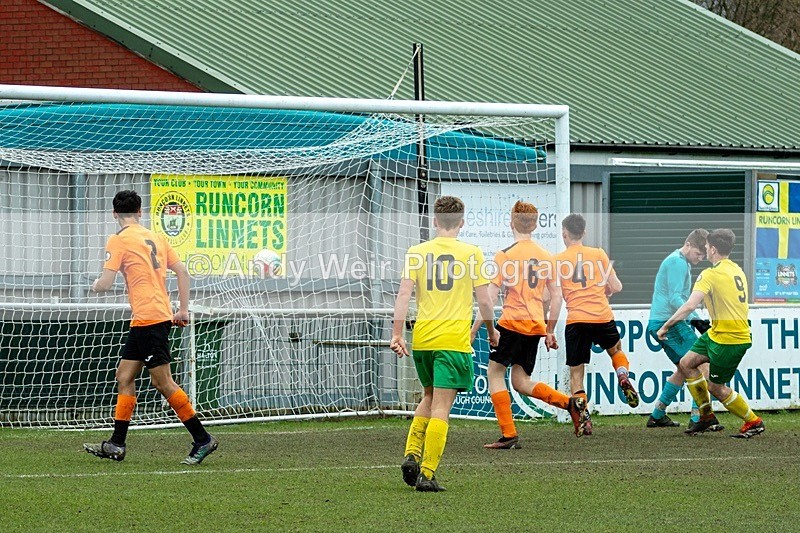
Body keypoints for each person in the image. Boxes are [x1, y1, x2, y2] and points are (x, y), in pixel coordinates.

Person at [84, 190, 218, 464]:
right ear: (139, 212)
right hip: (149, 317)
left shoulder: (118, 239)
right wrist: (182, 309)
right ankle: (116, 444)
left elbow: (106, 283)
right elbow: (183, 271)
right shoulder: (156, 237)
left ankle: (202, 439)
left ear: (114, 214)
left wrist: (95, 285)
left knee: (162, 382)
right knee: (124, 376)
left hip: (149, 318)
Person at [389, 196, 498, 492]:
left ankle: (412, 454)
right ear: (462, 223)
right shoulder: (472, 253)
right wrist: (491, 331)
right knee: (441, 406)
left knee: (428, 395)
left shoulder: (416, 252)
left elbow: (403, 295)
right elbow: (484, 301)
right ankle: (427, 473)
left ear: (435, 221)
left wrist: (397, 334)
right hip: (452, 341)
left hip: (423, 339)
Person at [470, 201, 586, 447]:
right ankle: (570, 403)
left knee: (494, 372)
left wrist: (476, 330)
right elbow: (556, 297)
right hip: (534, 326)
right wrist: (550, 329)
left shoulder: (505, 255)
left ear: (511, 222)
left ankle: (509, 434)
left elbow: (489, 298)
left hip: (512, 323)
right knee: (520, 381)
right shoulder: (547, 257)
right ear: (534, 225)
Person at [657, 229, 765, 438]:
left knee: (716, 387)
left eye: (706, 246)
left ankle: (753, 421)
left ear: (713, 249)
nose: (705, 249)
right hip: (717, 333)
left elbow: (689, 306)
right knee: (686, 363)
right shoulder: (736, 270)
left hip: (729, 339)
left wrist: (666, 326)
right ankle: (705, 416)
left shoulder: (709, 274)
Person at [555, 214, 638, 435]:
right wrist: (605, 289)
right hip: (601, 315)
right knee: (616, 350)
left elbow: (554, 294)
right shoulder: (598, 254)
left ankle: (583, 417)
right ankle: (623, 375)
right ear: (584, 232)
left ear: (564, 233)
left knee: (576, 373)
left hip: (576, 319)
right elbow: (617, 287)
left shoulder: (558, 260)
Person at [646, 229, 716, 428]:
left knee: (683, 368)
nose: (700, 258)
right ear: (688, 245)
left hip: (662, 322)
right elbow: (675, 298)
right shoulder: (678, 262)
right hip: (669, 323)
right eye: (698, 254)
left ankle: (657, 414)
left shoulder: (679, 261)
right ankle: (699, 417)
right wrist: (695, 319)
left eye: (703, 255)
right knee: (703, 363)